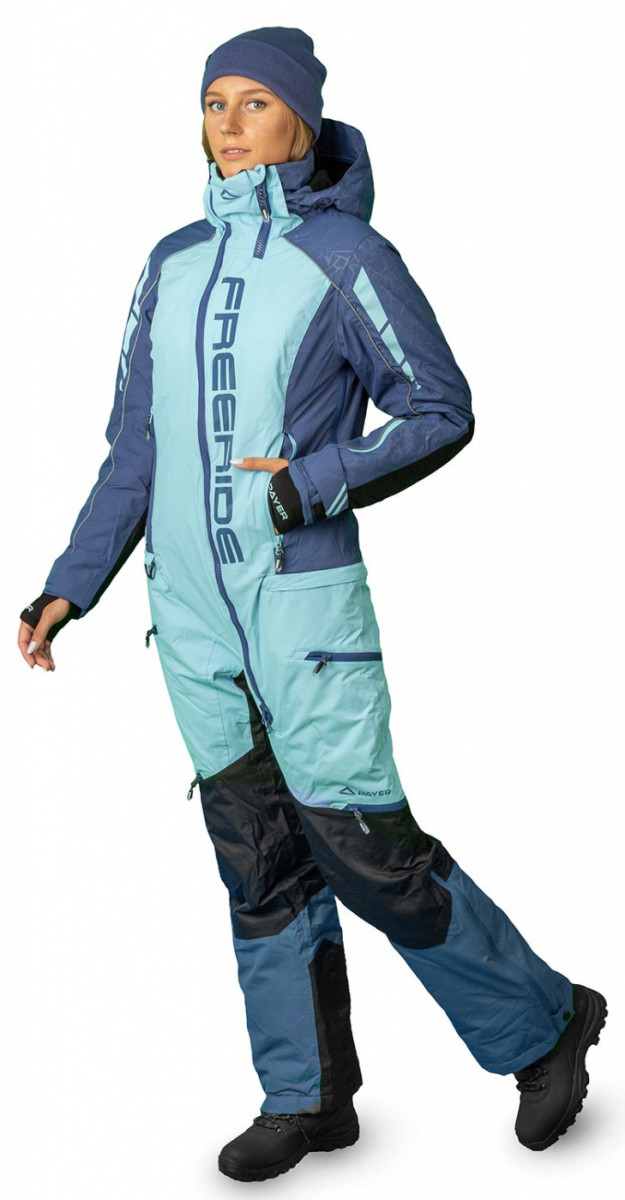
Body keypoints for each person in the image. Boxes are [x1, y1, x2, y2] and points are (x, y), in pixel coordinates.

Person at [18, 25, 607, 1183]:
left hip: (302, 613)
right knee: (257, 859)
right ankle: (307, 1097)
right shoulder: (169, 263)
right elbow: (133, 453)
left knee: (366, 851)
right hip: (191, 623)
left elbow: (438, 406)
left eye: (255, 103)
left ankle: (545, 1024)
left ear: (301, 120)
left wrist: (316, 480)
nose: (229, 125)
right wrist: (66, 586)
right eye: (214, 103)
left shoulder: (346, 256)